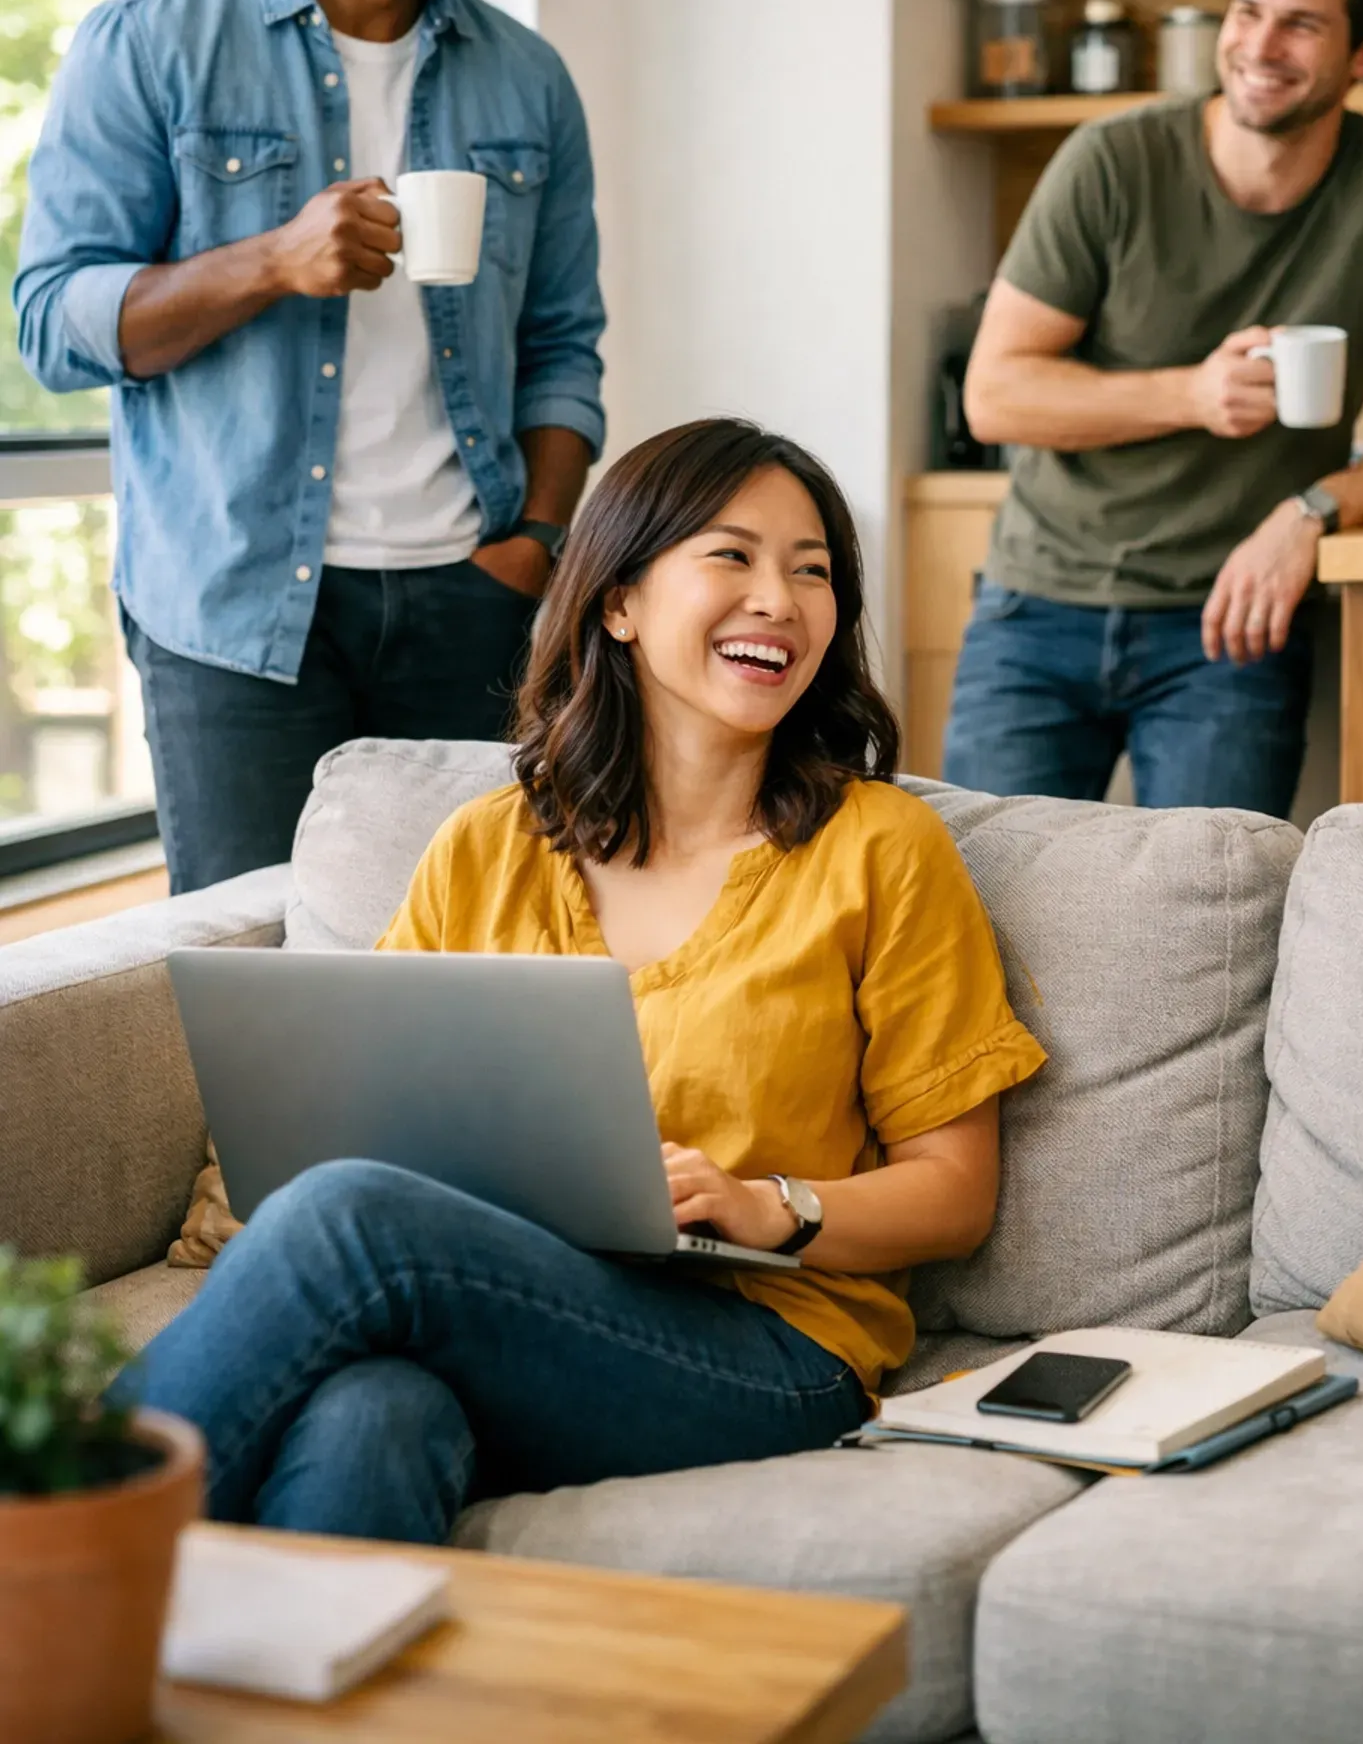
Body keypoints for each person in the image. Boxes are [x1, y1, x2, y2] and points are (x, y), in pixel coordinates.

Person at [117, 419, 1044, 1542]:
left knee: (350, 1219)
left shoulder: (882, 849)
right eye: (733, 556)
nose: (781, 599)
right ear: (618, 602)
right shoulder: (487, 844)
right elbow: (364, 1108)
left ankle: (42, 1546)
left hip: (769, 1346)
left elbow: (956, 1191)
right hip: (516, 1307)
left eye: (814, 572)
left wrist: (771, 1207)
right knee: (376, 1417)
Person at [16, 0, 604, 893]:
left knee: (464, 960)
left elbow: (563, 342)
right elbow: (54, 322)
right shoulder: (152, 43)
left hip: (468, 602)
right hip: (236, 619)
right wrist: (271, 261)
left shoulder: (528, 78)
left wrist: (536, 545)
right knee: (256, 971)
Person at [946, 0, 1363, 818]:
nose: (1260, 45)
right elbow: (995, 395)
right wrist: (1193, 394)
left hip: (1234, 626)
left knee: (1214, 926)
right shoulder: (1110, 162)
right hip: (1037, 604)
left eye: (1301, 24)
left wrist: (1311, 511)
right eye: (1248, 11)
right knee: (974, 910)